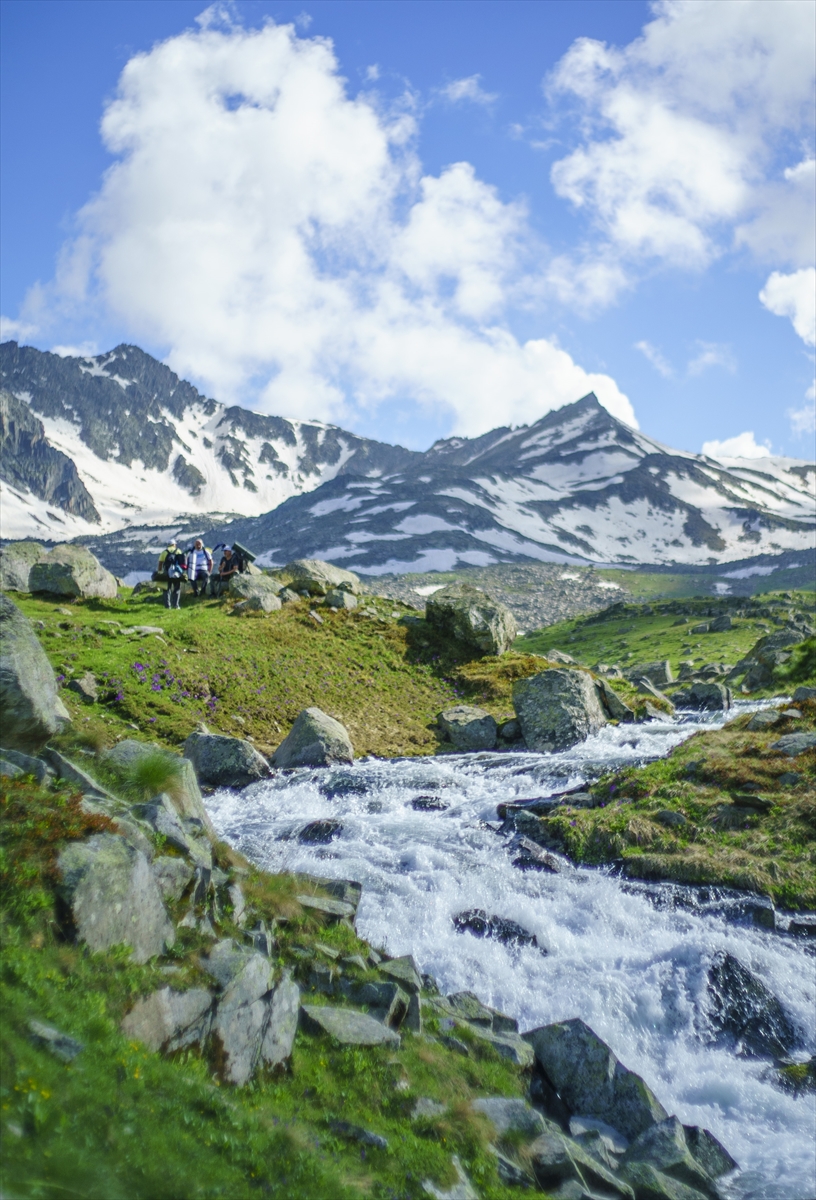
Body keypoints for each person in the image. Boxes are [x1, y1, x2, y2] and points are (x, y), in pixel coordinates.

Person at [157, 540, 187, 609]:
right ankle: (176, 605)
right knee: (177, 588)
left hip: (167, 571)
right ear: (174, 544)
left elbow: (160, 563)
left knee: (166, 589)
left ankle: (167, 606)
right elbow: (182, 562)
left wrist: (159, 572)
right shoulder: (178, 551)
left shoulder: (164, 552)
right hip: (176, 572)